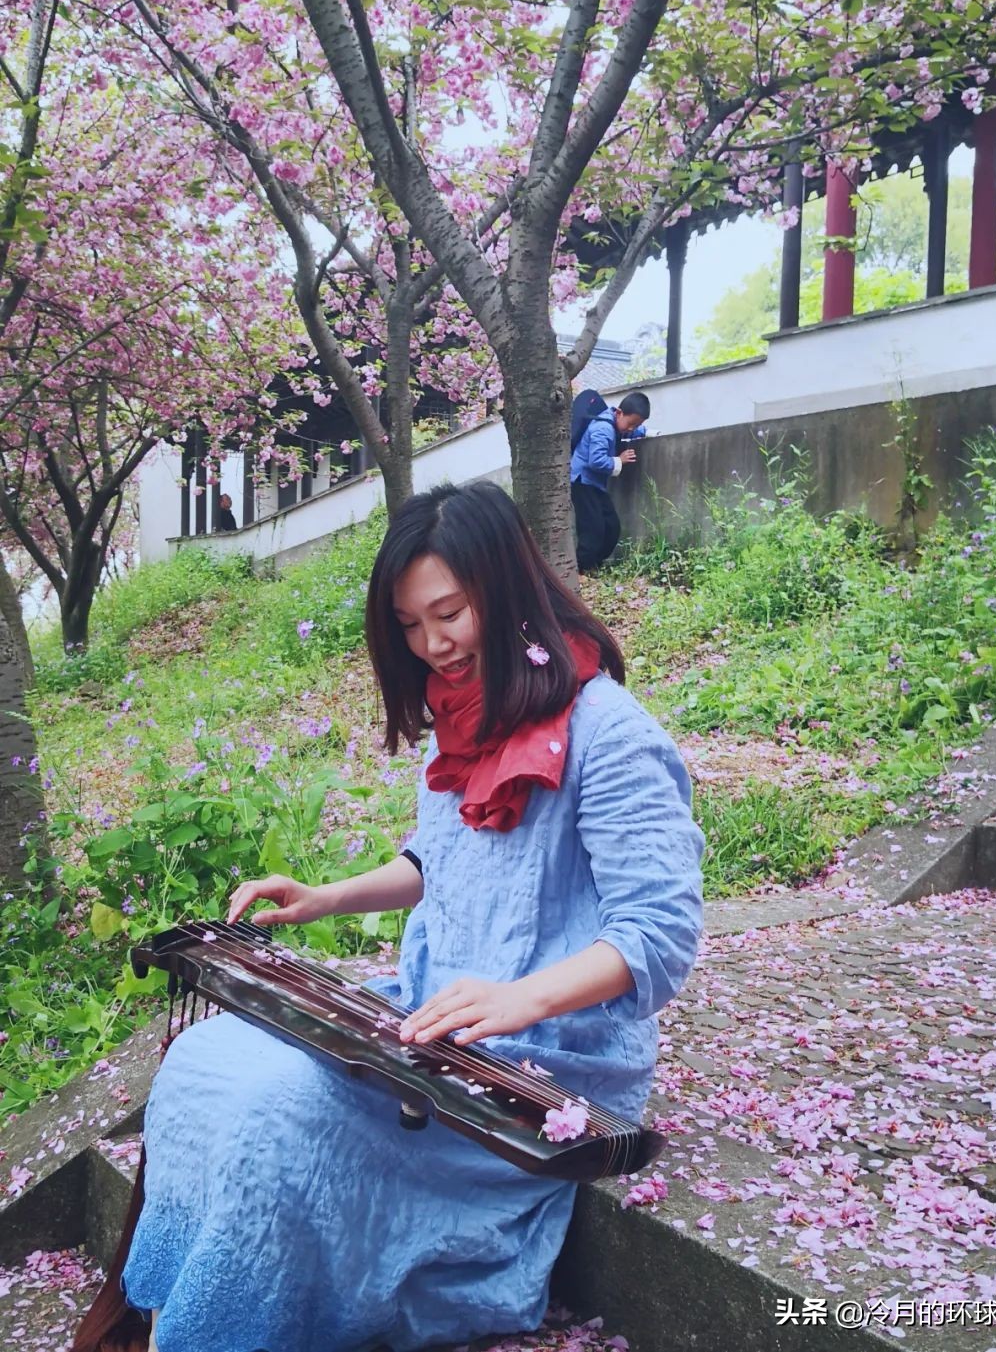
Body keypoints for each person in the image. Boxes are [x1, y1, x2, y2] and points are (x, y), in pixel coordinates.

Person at [116, 480, 703, 1352]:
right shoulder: (457, 722)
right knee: (204, 1058)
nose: (432, 644)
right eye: (409, 624)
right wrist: (325, 897)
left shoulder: (612, 735)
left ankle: (240, 1318)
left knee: (280, 1111)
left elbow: (661, 936)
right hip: (433, 1020)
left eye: (450, 612)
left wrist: (521, 999)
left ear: (506, 591)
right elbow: (440, 863)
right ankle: (192, 1301)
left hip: (547, 1058)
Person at [570, 391, 650, 573]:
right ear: (619, 412)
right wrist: (619, 460)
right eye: (631, 424)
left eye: (636, 425)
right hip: (582, 482)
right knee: (593, 529)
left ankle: (594, 565)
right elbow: (595, 460)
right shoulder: (603, 428)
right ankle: (581, 570)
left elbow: (632, 429)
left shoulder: (615, 424)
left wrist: (646, 432)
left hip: (594, 484)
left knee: (611, 527)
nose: (631, 429)